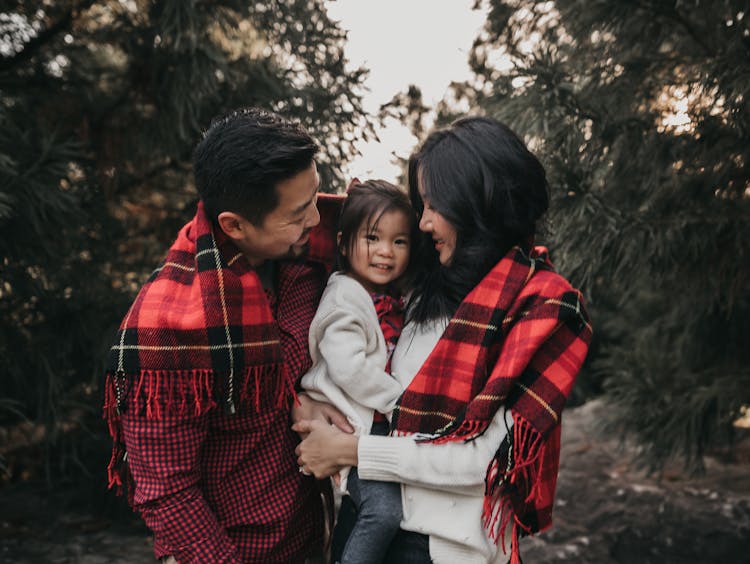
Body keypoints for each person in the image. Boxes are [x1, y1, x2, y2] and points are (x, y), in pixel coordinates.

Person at [294, 116, 593, 564]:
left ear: (476, 203)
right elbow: (322, 228)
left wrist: (352, 450)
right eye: (421, 206)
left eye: (434, 206)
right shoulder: (422, 288)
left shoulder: (540, 307)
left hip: (441, 550)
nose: (424, 223)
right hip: (364, 524)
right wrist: (311, 404)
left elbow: (484, 463)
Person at [103, 107, 351, 563]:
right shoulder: (168, 332)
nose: (317, 220)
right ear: (235, 225)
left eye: (316, 196)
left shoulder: (299, 260)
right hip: (231, 553)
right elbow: (167, 491)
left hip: (307, 539)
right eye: (299, 214)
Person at [300, 180, 417, 564]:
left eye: (399, 241)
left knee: (377, 509)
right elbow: (350, 368)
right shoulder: (344, 296)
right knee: (383, 512)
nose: (386, 251)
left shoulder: (389, 297)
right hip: (355, 423)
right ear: (344, 243)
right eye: (373, 238)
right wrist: (402, 403)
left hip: (375, 423)